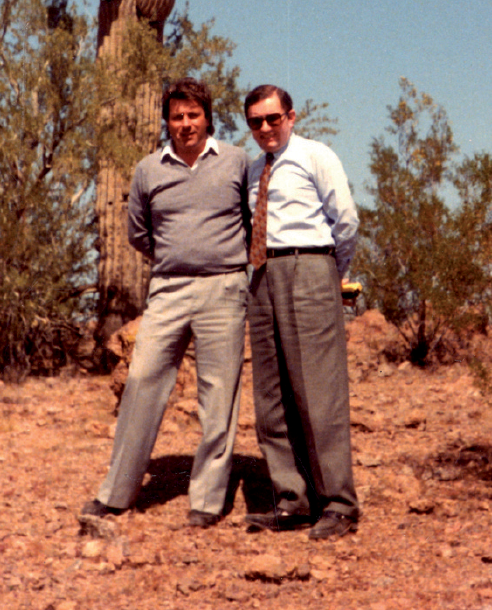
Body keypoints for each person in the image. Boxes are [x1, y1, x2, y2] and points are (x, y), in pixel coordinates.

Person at [80, 78, 250, 528]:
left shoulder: (237, 162)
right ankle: (117, 493)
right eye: (177, 116)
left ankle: (208, 501)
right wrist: (177, 257)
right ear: (167, 122)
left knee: (218, 395)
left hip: (223, 288)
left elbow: (255, 221)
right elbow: (139, 232)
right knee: (141, 381)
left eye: (193, 115)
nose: (186, 124)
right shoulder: (149, 170)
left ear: (208, 118)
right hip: (169, 288)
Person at [242, 84, 360, 541]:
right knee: (271, 395)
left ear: (292, 116)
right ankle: (292, 500)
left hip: (310, 265)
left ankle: (339, 504)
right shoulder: (254, 169)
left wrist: (331, 272)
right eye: (256, 121)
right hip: (263, 274)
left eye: (274, 118)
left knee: (318, 392)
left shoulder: (316, 155)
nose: (266, 128)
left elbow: (345, 221)